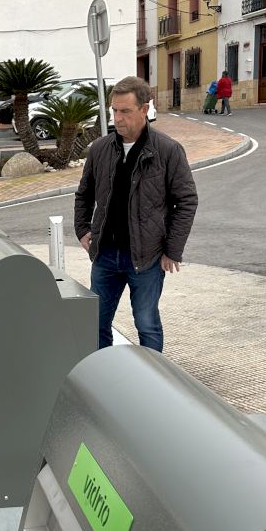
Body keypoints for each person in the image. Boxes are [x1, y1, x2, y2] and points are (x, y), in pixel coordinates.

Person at [74, 76, 198, 352]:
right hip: (105, 255)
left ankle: (152, 378)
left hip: (146, 258)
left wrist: (172, 250)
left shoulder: (167, 150)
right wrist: (82, 229)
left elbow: (186, 201)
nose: (117, 118)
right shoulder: (100, 149)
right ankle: (102, 373)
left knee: (146, 323)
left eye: (125, 111)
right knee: (95, 323)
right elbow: (84, 194)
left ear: (144, 109)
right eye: (114, 111)